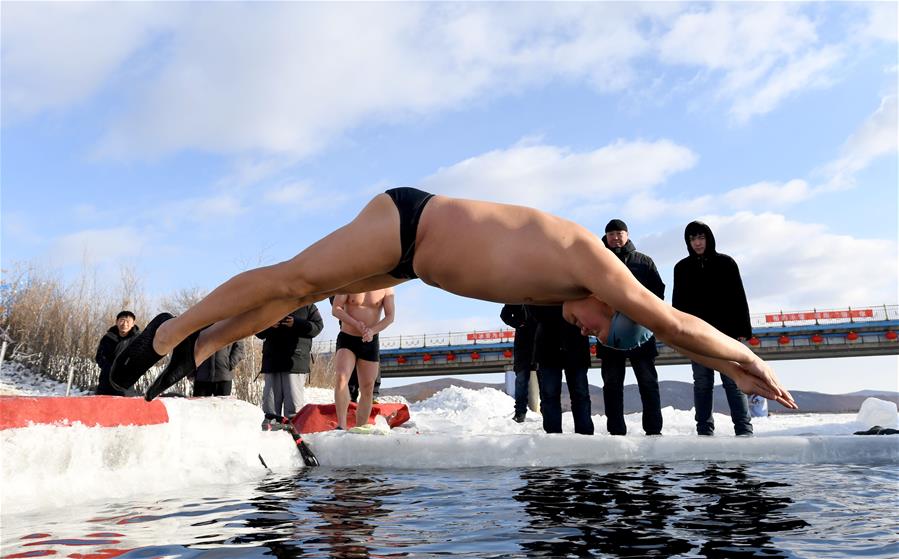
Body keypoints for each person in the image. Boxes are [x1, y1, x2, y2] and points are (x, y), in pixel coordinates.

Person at [111, 187, 796, 413]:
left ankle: (194, 346)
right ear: (607, 310)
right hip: (409, 222)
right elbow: (671, 320)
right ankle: (168, 335)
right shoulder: (599, 267)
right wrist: (746, 361)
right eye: (597, 331)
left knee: (306, 287)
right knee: (294, 277)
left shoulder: (572, 291)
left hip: (411, 262)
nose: (585, 333)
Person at [673, 221, 755, 436]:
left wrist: (743, 333)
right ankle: (704, 431)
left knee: (733, 381)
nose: (697, 243)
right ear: (688, 242)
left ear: (708, 238)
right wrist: (678, 335)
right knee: (702, 382)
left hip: (726, 335)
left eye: (701, 238)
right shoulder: (682, 268)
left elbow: (739, 298)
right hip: (697, 336)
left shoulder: (726, 263)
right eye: (692, 239)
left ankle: (744, 430)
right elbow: (677, 306)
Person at [597, 219, 665, 436]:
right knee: (612, 385)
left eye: (619, 233)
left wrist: (644, 316)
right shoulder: (596, 261)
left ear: (627, 234)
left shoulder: (644, 262)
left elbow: (658, 293)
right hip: (609, 334)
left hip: (641, 332)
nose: (615, 237)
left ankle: (654, 431)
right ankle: (616, 432)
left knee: (648, 382)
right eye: (611, 234)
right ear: (606, 237)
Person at [331, 289, 395, 430]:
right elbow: (336, 309)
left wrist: (373, 330)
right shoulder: (352, 281)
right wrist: (355, 323)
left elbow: (390, 316)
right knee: (341, 377)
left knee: (367, 387)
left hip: (370, 339)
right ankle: (341, 425)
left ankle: (360, 427)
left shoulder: (387, 287)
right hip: (348, 336)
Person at [530, 305, 594, 435]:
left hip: (575, 343)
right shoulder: (540, 288)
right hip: (548, 343)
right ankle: (553, 436)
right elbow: (533, 308)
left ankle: (585, 435)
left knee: (579, 394)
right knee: (550, 394)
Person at [256, 304, 323, 424]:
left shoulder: (307, 304)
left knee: (294, 409)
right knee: (269, 408)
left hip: (295, 363)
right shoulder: (270, 303)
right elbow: (256, 330)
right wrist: (268, 325)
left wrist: (296, 323)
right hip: (272, 362)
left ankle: (293, 437)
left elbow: (318, 326)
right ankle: (269, 437)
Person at [500, 304, 537, 423]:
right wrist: (518, 324)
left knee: (544, 380)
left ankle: (547, 412)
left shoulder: (540, 294)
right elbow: (504, 315)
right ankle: (520, 412)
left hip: (540, 342)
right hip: (522, 345)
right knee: (521, 380)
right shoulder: (516, 296)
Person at [96, 310, 140, 396]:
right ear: (117, 322)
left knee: (123, 407)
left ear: (133, 323)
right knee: (102, 406)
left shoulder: (138, 339)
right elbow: (99, 357)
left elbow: (140, 359)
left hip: (125, 381)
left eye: (128, 321)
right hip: (106, 380)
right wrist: (109, 368)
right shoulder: (108, 337)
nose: (124, 324)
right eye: (122, 320)